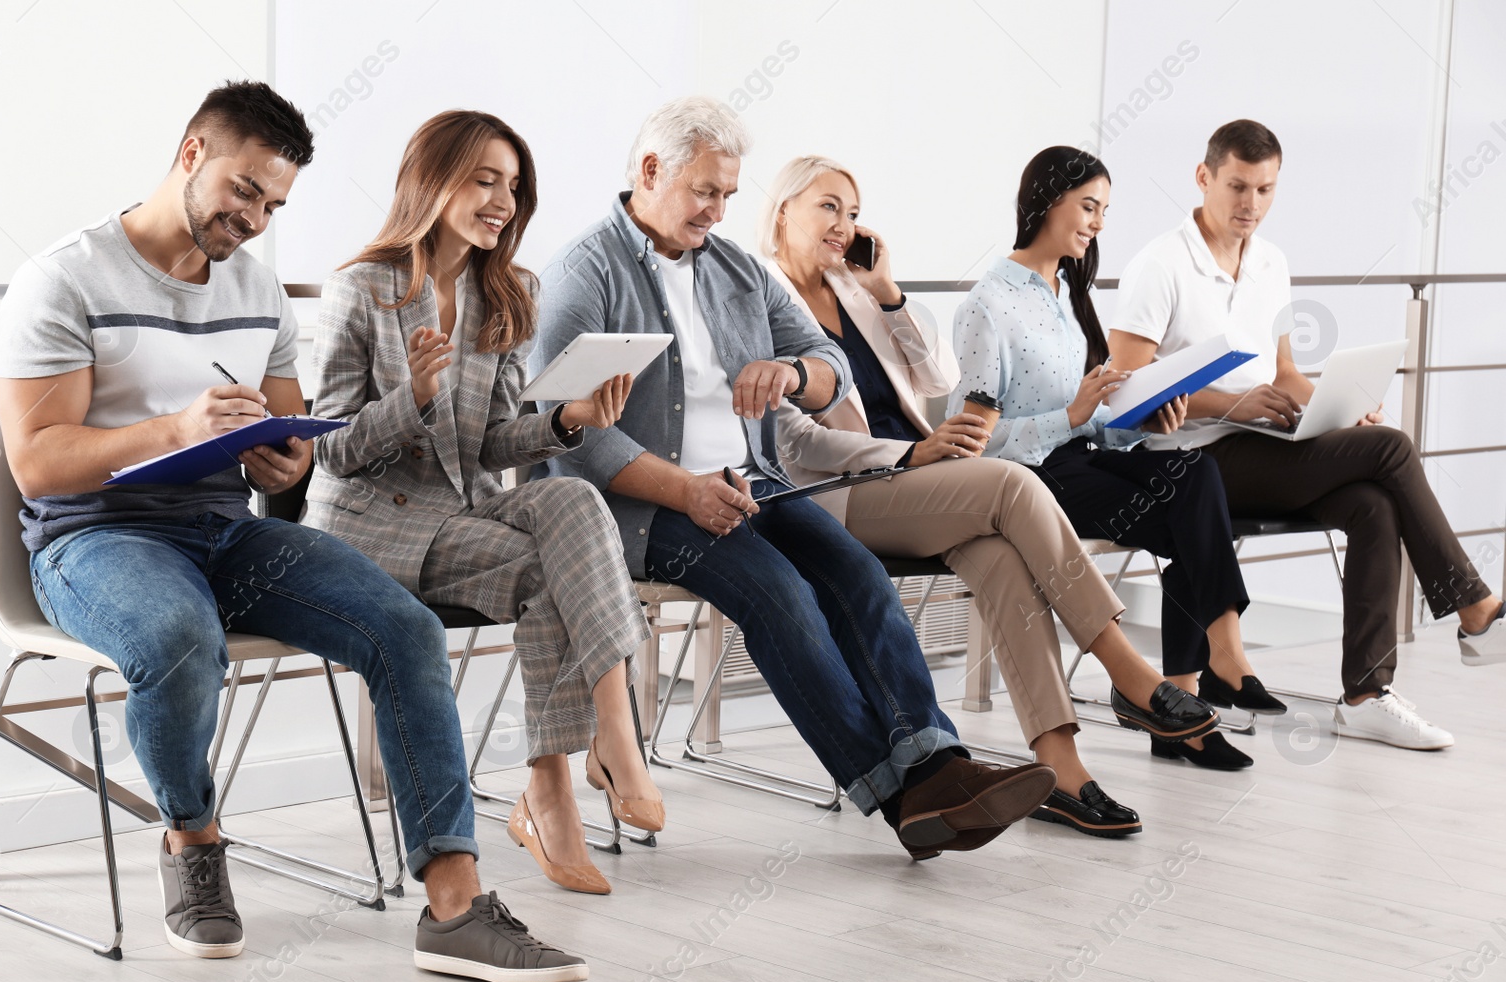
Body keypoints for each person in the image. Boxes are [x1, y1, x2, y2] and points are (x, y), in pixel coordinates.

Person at [0, 81, 586, 982]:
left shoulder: (256, 285)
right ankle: (193, 834)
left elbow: (291, 433)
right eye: (243, 191)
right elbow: (37, 462)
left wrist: (284, 464)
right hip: (93, 539)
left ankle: (456, 904)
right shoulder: (64, 278)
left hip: (222, 530)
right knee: (179, 637)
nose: (256, 219)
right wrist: (174, 431)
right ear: (192, 153)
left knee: (406, 628)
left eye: (273, 204)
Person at [533, 96, 1059, 861]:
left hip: (755, 483)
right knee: (782, 596)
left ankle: (937, 762)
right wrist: (685, 490)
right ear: (650, 171)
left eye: (727, 195)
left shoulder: (740, 272)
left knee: (858, 573)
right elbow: (572, 436)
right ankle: (902, 795)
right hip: (649, 507)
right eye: (704, 191)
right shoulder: (584, 274)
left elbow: (831, 365)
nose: (717, 211)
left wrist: (792, 370)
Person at [759, 154, 1228, 836]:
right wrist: (909, 453)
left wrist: (887, 292)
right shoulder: (763, 295)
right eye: (828, 206)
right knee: (1013, 481)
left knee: (1004, 558)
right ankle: (1126, 670)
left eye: (853, 211)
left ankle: (1062, 770)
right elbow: (791, 444)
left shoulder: (854, 290)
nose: (845, 224)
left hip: (918, 478)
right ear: (782, 211)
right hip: (844, 491)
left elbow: (938, 375)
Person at [304, 110, 658, 897]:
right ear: (433, 182)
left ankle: (592, 752)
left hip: (459, 513)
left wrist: (571, 420)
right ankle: (564, 778)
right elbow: (326, 449)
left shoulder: (508, 291)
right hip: (369, 526)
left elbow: (497, 438)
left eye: (513, 186)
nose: (503, 200)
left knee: (568, 508)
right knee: (548, 566)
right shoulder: (360, 289)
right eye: (484, 180)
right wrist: (415, 397)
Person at [1109, 119, 1506, 750]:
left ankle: (1367, 693)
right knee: (1393, 448)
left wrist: (1337, 407)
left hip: (1261, 449)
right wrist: (1235, 406)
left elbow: (1286, 373)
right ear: (1204, 176)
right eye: (1238, 186)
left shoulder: (1271, 262)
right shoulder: (1160, 264)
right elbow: (1126, 389)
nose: (1251, 205)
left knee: (1372, 504)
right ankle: (1475, 610)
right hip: (1191, 459)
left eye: (1266, 190)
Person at [955, 146, 1265, 770]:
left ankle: (1198, 684)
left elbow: (1089, 409)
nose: (1098, 221)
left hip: (1085, 455)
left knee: (1194, 474)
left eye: (1104, 210)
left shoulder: (1067, 291)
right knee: (1192, 521)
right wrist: (1070, 417)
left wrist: (1135, 417)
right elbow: (973, 444)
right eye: (1088, 206)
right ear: (1046, 201)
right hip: (1029, 480)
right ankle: (1193, 700)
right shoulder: (985, 305)